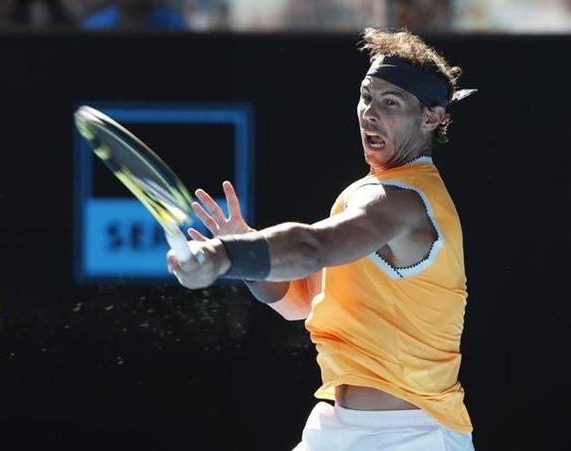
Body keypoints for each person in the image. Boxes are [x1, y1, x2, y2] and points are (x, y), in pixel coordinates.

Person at [168, 27, 476, 451]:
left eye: (391, 103)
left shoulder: (402, 202)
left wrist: (226, 254)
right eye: (367, 96)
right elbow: (298, 301)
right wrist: (248, 252)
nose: (370, 112)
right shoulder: (363, 194)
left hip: (414, 435)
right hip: (336, 428)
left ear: (431, 117)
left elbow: (313, 247)